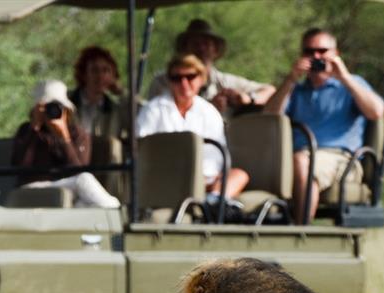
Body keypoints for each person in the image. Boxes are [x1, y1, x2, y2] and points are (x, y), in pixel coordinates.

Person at [263, 28, 384, 224]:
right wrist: (290, 79)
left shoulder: (353, 84)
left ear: (336, 54)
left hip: (342, 160)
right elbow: (268, 118)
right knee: (292, 163)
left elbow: (376, 111)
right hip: (297, 156)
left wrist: (343, 77)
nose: (316, 57)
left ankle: (300, 232)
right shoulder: (296, 90)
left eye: (322, 51)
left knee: (302, 162)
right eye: (309, 52)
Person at [138, 54, 250, 201]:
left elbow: (216, 154)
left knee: (239, 175)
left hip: (204, 179)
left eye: (190, 77)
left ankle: (214, 202)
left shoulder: (209, 111)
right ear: (169, 81)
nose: (184, 83)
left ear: (201, 79)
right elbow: (141, 149)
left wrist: (201, 177)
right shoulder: (153, 109)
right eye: (177, 78)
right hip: (165, 178)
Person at [10, 79, 120, 208]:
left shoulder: (78, 134)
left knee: (82, 204)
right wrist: (34, 128)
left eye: (57, 106)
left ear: (66, 109)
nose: (52, 111)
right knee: (83, 179)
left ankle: (109, 215)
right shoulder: (26, 131)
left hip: (70, 189)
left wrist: (64, 137)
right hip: (32, 188)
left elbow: (77, 169)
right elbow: (19, 167)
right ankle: (115, 210)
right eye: (47, 107)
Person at [147, 19, 275, 116]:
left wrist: (246, 98)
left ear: (215, 50)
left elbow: (271, 91)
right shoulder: (164, 81)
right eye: (196, 44)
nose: (201, 49)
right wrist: (209, 109)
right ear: (185, 49)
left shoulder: (223, 81)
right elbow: (161, 117)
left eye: (206, 44)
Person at [68, 46, 127, 140]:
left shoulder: (115, 110)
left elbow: (140, 119)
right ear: (84, 74)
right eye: (94, 70)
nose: (100, 76)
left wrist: (122, 92)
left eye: (106, 71)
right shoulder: (67, 103)